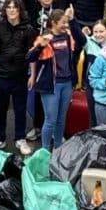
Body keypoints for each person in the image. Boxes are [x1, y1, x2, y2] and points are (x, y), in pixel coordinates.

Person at [27, 8, 87, 152]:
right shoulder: (45, 38)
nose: (66, 25)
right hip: (50, 85)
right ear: (53, 23)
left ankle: (58, 147)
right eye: (63, 23)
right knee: (50, 120)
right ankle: (45, 150)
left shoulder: (68, 36)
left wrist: (72, 21)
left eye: (67, 22)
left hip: (67, 83)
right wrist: (40, 46)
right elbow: (30, 58)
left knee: (61, 119)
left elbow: (82, 41)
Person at [0, 0, 38, 153]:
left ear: (20, 10)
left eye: (15, 8)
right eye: (8, 8)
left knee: (20, 109)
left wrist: (32, 75)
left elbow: (32, 54)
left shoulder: (29, 30)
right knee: (0, 108)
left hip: (20, 76)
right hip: (1, 76)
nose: (11, 11)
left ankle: (20, 139)